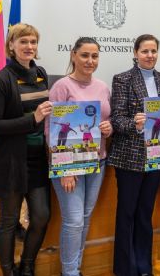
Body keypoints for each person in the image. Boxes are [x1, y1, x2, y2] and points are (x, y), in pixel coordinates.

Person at [0, 23, 53, 276]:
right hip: (11, 160)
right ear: (11, 45)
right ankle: (8, 270)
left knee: (41, 216)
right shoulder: (3, 79)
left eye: (33, 42)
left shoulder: (41, 73)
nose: (29, 47)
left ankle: (28, 264)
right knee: (9, 220)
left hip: (38, 159)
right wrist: (31, 119)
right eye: (23, 42)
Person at [109, 34, 160, 276]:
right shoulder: (122, 79)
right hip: (130, 156)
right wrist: (135, 124)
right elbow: (116, 119)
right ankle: (125, 270)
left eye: (154, 51)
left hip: (157, 156)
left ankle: (144, 268)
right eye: (145, 51)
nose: (150, 56)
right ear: (135, 53)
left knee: (146, 214)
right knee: (126, 213)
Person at [48, 37, 112, 276]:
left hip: (98, 161)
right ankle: (70, 271)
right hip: (69, 165)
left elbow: (106, 120)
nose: (90, 61)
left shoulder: (103, 87)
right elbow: (51, 131)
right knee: (73, 221)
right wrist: (65, 169)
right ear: (74, 55)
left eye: (94, 56)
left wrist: (109, 128)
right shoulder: (62, 87)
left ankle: (76, 267)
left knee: (84, 217)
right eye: (85, 55)